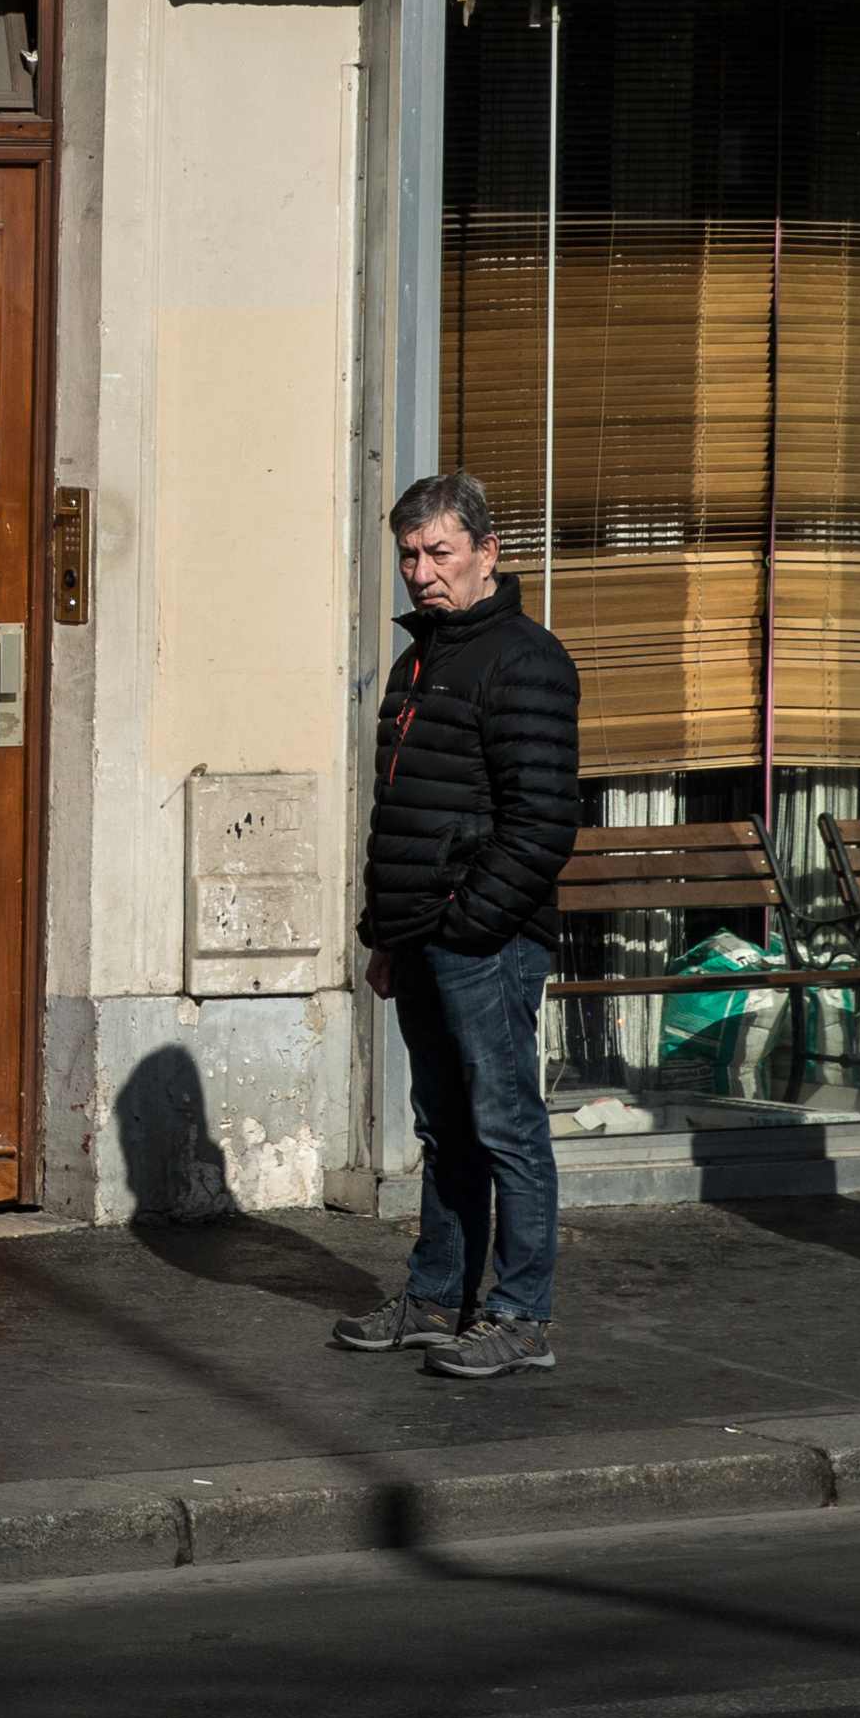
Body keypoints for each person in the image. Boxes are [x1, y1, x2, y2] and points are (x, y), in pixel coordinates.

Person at [332, 471, 586, 1380]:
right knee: (444, 1126)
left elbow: (542, 823)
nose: (421, 572)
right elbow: (399, 812)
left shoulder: (526, 660)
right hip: (425, 937)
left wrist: (467, 925)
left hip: (488, 941)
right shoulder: (420, 658)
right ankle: (439, 1297)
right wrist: (389, 935)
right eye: (409, 554)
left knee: (506, 1124)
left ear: (488, 554)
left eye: (440, 552)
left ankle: (522, 1315)